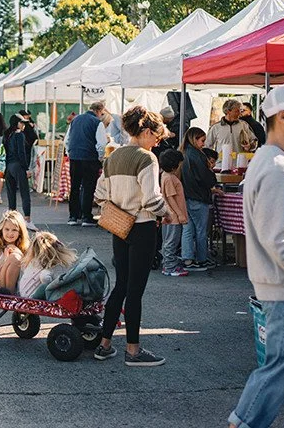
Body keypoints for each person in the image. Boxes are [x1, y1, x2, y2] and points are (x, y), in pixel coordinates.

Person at [228, 83, 284, 428]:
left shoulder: (272, 161)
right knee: (281, 368)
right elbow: (281, 241)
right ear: (282, 116)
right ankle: (242, 423)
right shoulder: (277, 167)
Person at [93, 106, 171, 366]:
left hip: (119, 227)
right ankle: (133, 350)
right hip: (142, 226)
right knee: (135, 291)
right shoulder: (146, 158)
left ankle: (104, 344)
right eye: (157, 137)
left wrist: (120, 205)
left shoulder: (112, 157)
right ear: (147, 131)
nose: (157, 142)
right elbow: (152, 199)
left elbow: (99, 196)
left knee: (121, 286)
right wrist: (167, 212)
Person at [179, 127, 220, 272]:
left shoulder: (183, 153)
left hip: (186, 197)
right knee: (201, 231)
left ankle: (188, 259)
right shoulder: (198, 156)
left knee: (188, 229)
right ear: (194, 139)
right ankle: (202, 259)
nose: (203, 144)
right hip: (198, 197)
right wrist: (211, 174)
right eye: (202, 140)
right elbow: (207, 179)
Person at [65, 102, 107, 227]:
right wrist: (100, 157)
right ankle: (86, 217)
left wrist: (70, 153)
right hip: (89, 157)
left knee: (75, 187)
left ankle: (73, 216)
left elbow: (67, 140)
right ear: (99, 111)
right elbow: (101, 143)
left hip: (74, 157)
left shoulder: (75, 120)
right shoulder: (97, 122)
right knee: (88, 187)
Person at [18, 231, 77, 300]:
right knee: (46, 286)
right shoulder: (51, 265)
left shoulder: (32, 261)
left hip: (23, 293)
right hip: (33, 299)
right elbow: (44, 276)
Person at [3, 115, 37, 231]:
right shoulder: (19, 135)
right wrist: (26, 168)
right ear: (17, 123)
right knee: (25, 193)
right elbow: (21, 153)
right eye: (21, 122)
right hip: (18, 166)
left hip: (8, 167)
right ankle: (27, 220)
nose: (23, 125)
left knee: (11, 194)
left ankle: (11, 220)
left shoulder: (7, 135)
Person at [159, 149, 189, 277]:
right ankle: (170, 266)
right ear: (174, 165)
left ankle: (168, 263)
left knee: (167, 241)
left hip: (168, 214)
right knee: (171, 241)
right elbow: (171, 197)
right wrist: (180, 214)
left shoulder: (164, 175)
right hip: (173, 216)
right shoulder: (170, 178)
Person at [0, 210, 30, 293]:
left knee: (15, 257)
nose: (10, 233)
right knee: (14, 257)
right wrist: (3, 260)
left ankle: (11, 294)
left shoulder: (25, 248)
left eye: (14, 230)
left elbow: (28, 271)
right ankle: (10, 294)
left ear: (20, 232)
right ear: (1, 230)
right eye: (7, 229)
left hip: (20, 284)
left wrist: (18, 252)